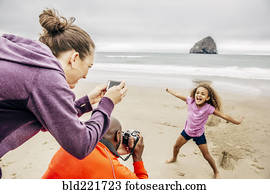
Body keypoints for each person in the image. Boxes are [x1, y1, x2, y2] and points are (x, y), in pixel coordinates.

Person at [0, 9, 127, 178]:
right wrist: (108, 103)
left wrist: (86, 103)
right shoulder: (46, 76)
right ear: (74, 58)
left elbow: (50, 118)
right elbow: (81, 144)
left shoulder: (23, 54)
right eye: (88, 66)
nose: (86, 75)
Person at [165, 83, 243, 178]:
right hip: (187, 132)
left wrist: (237, 122)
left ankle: (216, 171)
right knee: (176, 147)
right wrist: (169, 91)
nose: (199, 95)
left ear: (207, 98)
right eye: (197, 93)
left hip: (199, 135)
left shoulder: (209, 108)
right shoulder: (190, 101)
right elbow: (178, 95)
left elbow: (223, 115)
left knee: (206, 155)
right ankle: (174, 158)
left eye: (202, 94)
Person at [42, 117, 148, 179]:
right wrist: (137, 158)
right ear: (117, 135)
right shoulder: (112, 167)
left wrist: (112, 153)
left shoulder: (69, 147)